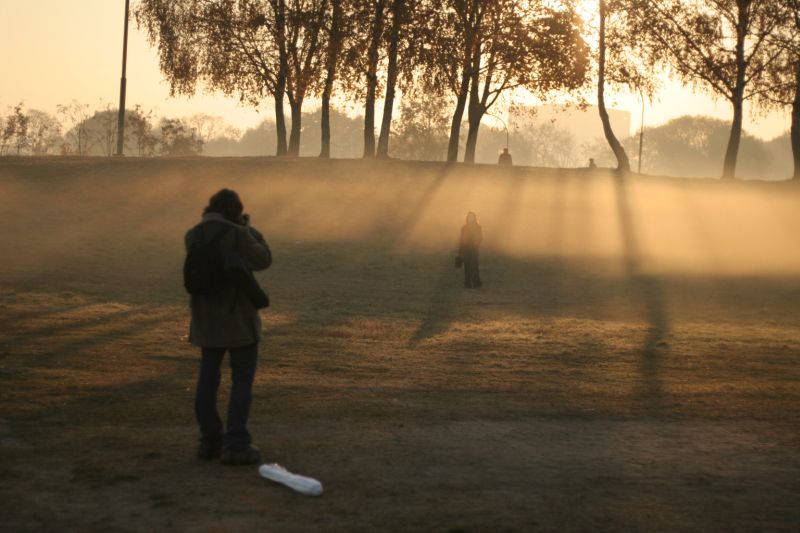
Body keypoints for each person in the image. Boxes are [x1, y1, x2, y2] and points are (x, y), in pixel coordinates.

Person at [184, 188, 272, 465]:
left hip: (206, 322)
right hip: (239, 322)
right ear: (235, 210)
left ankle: (209, 440)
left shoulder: (193, 235)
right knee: (241, 383)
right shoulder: (238, 234)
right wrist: (249, 230)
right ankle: (236, 444)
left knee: (207, 382)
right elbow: (263, 259)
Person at [459, 212, 483, 288]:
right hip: (466, 249)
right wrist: (460, 251)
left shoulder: (478, 227)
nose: (471, 219)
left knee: (474, 266)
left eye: (472, 217)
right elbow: (462, 240)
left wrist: (477, 243)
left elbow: (480, 237)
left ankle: (476, 283)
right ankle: (467, 283)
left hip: (474, 249)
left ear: (475, 218)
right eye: (469, 217)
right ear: (467, 218)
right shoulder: (464, 228)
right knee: (467, 267)